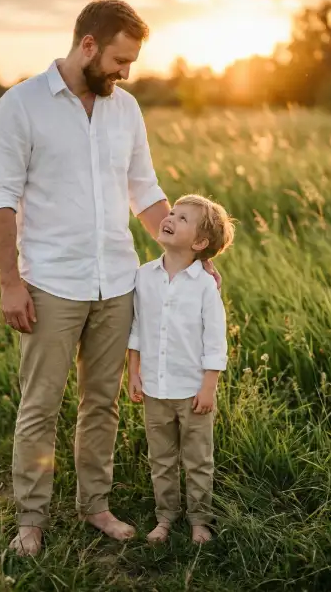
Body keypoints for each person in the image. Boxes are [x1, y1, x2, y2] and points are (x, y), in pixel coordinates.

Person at [0, 0, 220, 556]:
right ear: (88, 45)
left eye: (131, 62)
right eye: (119, 59)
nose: (125, 72)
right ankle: (31, 518)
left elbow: (145, 188)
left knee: (102, 404)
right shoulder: (19, 106)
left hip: (117, 283)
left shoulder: (126, 108)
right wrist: (10, 283)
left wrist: (189, 253)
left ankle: (96, 506)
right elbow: (0, 200)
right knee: (40, 404)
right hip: (51, 284)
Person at [127, 194, 235, 544]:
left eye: (183, 218)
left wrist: (209, 386)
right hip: (155, 389)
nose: (169, 217)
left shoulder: (205, 285)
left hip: (192, 392)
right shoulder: (143, 276)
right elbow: (136, 330)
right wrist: (133, 372)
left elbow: (215, 341)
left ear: (200, 243)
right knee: (161, 459)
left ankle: (199, 520)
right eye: (172, 212)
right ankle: (165, 517)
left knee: (197, 460)